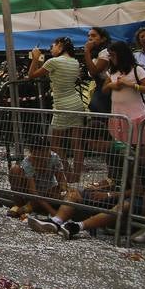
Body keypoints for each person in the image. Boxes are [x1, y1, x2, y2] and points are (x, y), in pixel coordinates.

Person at [27, 37, 87, 181]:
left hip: (62, 106)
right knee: (76, 143)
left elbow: (31, 75)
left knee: (54, 143)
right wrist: (41, 62)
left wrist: (35, 59)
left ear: (60, 46)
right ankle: (76, 177)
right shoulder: (74, 62)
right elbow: (52, 74)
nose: (50, 49)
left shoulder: (53, 62)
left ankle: (67, 172)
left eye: (52, 46)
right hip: (76, 104)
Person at [102, 40, 145, 145]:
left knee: (140, 148)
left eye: (113, 55)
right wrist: (111, 85)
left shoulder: (137, 70)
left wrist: (130, 85)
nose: (110, 58)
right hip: (118, 116)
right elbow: (104, 89)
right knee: (122, 147)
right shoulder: (112, 72)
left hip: (135, 116)